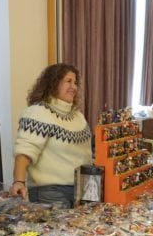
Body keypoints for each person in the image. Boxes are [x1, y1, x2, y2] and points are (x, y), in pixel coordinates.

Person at [10, 63, 92, 208]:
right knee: (59, 231)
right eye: (68, 81)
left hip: (81, 189)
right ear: (53, 83)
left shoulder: (78, 116)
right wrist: (19, 182)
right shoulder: (38, 112)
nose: (73, 86)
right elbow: (24, 152)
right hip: (50, 192)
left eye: (75, 82)